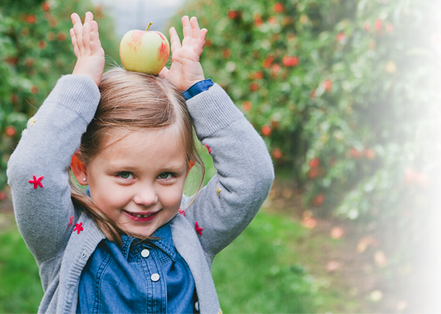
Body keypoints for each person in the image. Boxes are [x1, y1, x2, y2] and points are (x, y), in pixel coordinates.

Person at [7, 11, 274, 314]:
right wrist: (81, 84)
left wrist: (198, 91)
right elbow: (29, 169)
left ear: (186, 170)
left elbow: (253, 176)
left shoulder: (193, 232)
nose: (147, 198)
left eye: (166, 175)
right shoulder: (64, 238)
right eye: (124, 174)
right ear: (81, 168)